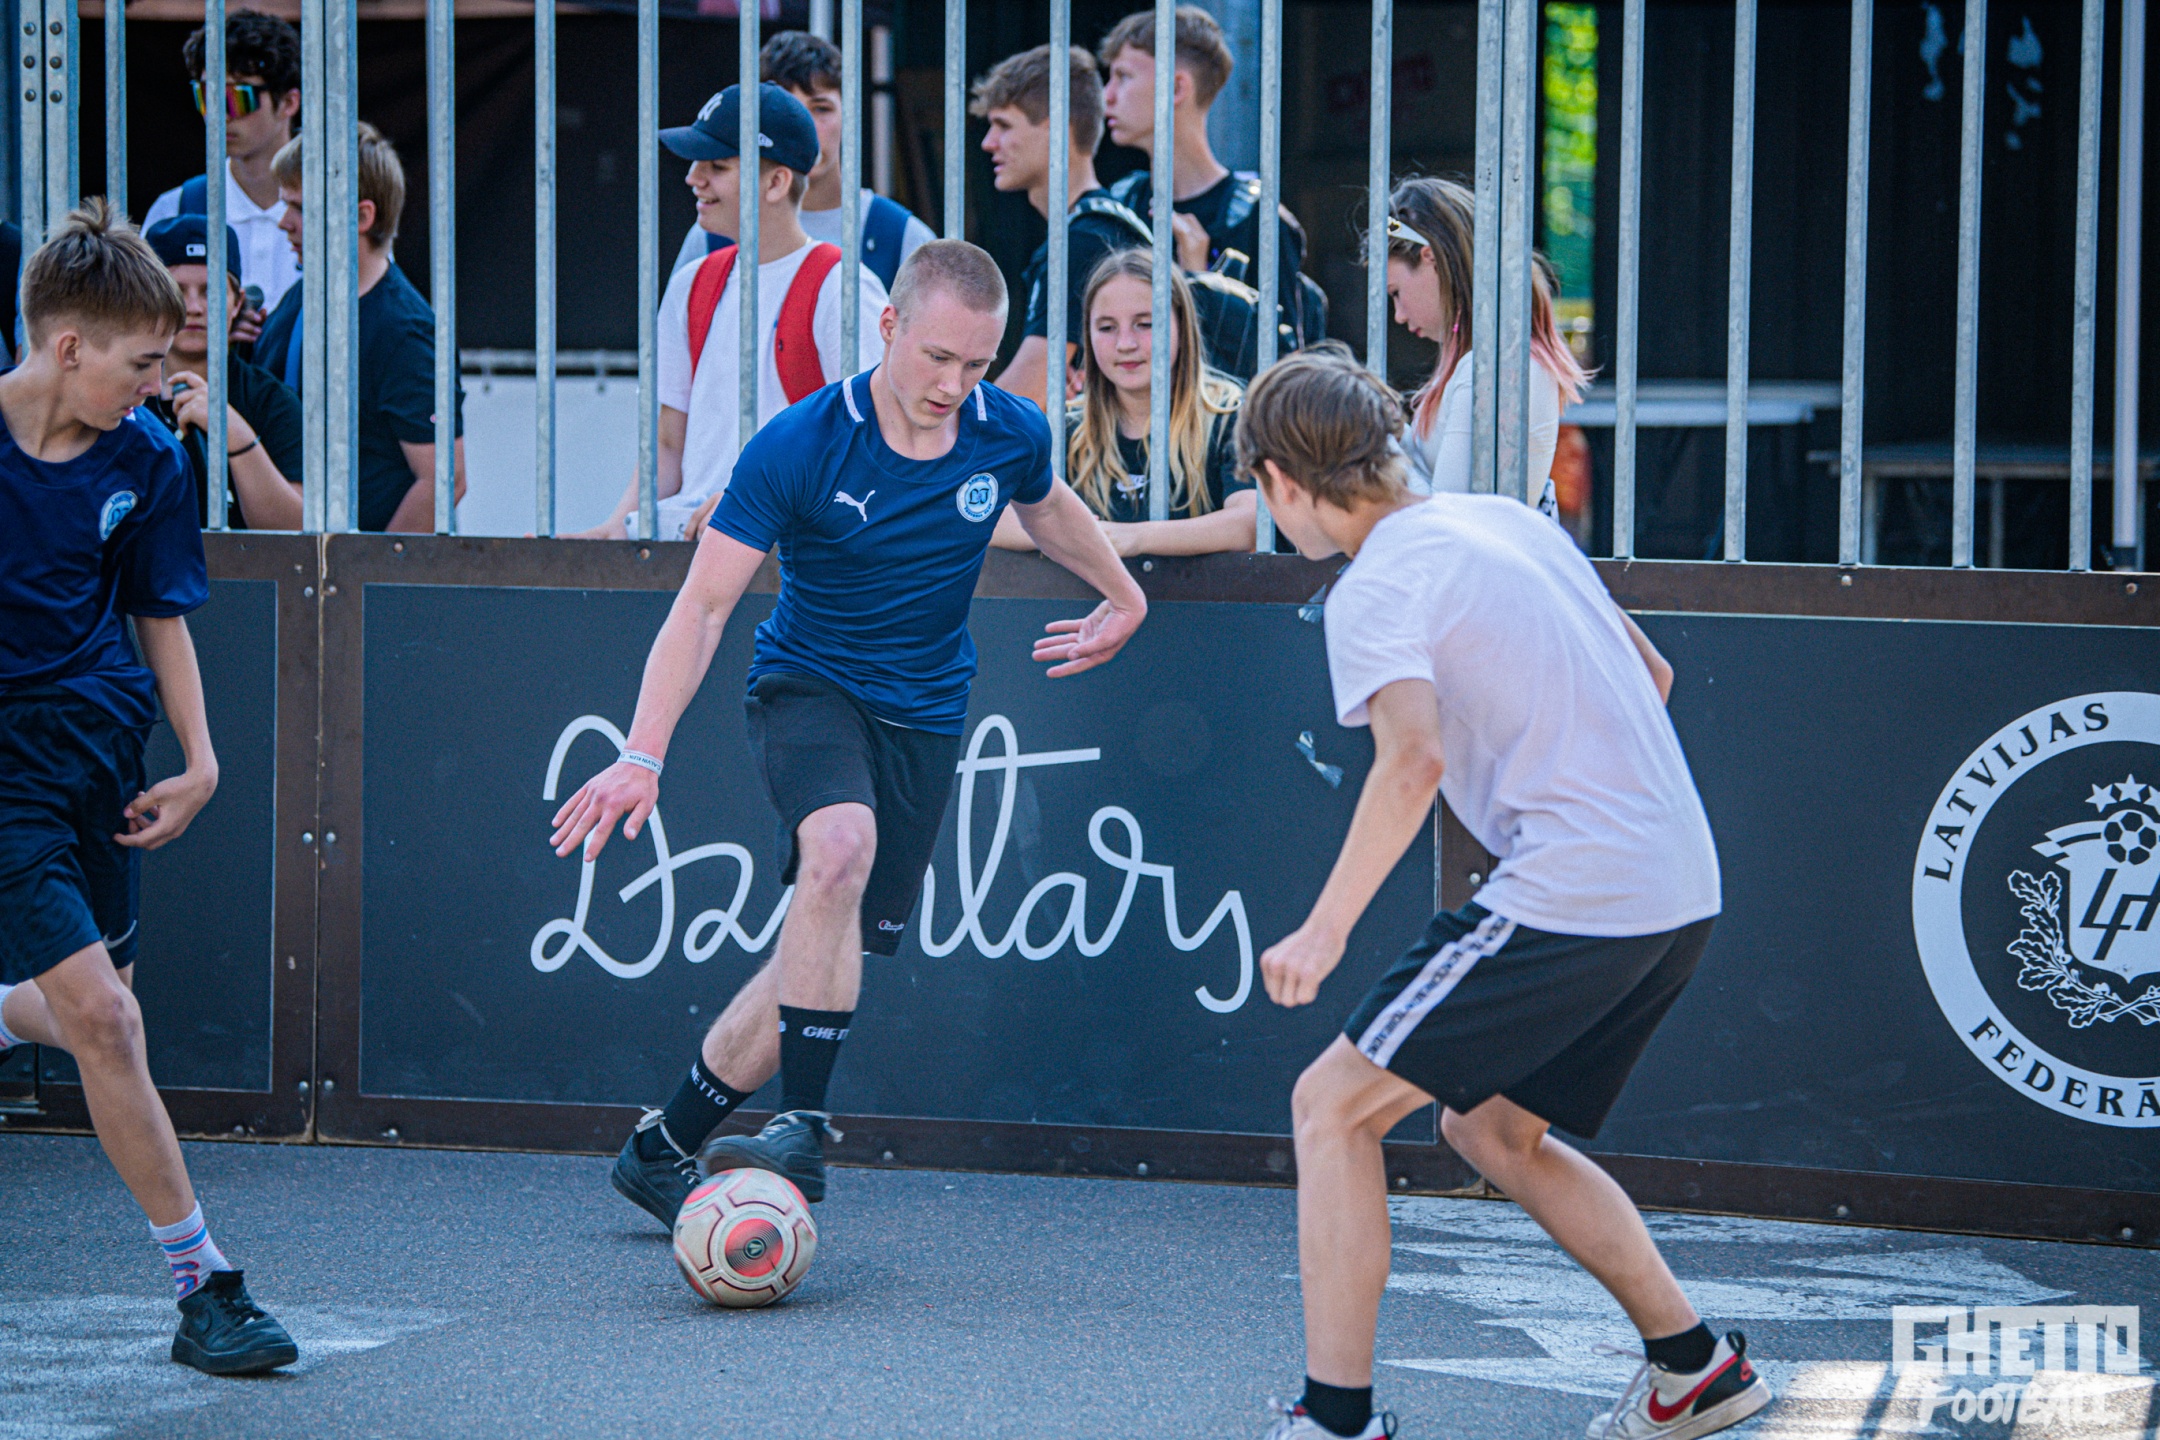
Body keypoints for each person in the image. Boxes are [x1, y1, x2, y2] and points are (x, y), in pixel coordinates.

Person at [548, 241, 1148, 1227]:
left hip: (927, 714)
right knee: (838, 847)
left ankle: (661, 1149)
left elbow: (1047, 508)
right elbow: (703, 606)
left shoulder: (1006, 431)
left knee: (825, 943)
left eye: (976, 365)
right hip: (809, 685)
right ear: (888, 327)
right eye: (937, 358)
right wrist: (641, 753)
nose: (954, 386)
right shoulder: (798, 444)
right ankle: (803, 1125)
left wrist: (1123, 594)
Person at [1238, 346, 1771, 1440]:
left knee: (1329, 1108)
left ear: (1284, 480)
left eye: (1262, 488)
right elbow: (1654, 675)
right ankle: (1695, 1370)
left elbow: (1412, 761)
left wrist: (1324, 930)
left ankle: (1335, 1421)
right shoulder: (1504, 522)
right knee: (1489, 1129)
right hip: (1680, 885)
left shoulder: (1375, 584)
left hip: (1581, 890)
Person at [0, 200, 299, 1377]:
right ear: (69, 345)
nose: (157, 384)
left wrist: (202, 756)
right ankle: (206, 1286)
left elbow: (158, 611)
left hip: (98, 749)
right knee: (107, 1023)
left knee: (105, 1015)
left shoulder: (148, 459)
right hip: (7, 768)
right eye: (141, 363)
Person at [577, 83, 889, 542]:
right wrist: (617, 529)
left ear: (777, 183)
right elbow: (669, 443)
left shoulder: (842, 287)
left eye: (717, 166)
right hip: (687, 547)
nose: (693, 177)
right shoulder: (692, 285)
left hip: (792, 557)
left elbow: (873, 442)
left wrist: (758, 503)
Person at [256, 126, 466, 532]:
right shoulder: (301, 297)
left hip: (348, 566)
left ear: (363, 216)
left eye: (301, 208)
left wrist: (365, 567)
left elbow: (444, 481)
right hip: (295, 559)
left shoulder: (405, 332)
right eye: (285, 205)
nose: (284, 223)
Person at [995, 248, 1250, 556]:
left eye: (1145, 324)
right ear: (1087, 334)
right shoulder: (1065, 429)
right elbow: (984, 515)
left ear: (1182, 326)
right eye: (1107, 327)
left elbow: (1250, 524)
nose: (1125, 344)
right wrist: (1073, 535)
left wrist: (1132, 538)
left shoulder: (1232, 416)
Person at [1098, 6, 1323, 348]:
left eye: (1123, 77)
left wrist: (1202, 282)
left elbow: (1286, 362)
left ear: (1177, 88)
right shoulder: (1121, 204)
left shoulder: (1257, 218)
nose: (1107, 95)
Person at [668, 31, 934, 293]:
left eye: (821, 109)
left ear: (849, 114)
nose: (807, 129)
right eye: (788, 113)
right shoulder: (713, 234)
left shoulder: (901, 237)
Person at [1383, 175, 1590, 509]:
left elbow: (1449, 515)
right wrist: (1393, 432)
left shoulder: (1493, 369)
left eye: (1396, 293)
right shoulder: (1481, 362)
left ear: (1430, 258)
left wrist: (1381, 445)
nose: (1398, 315)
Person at [973, 44, 1126, 413]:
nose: (987, 143)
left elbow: (1021, 399)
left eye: (1004, 125)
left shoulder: (1084, 242)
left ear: (1058, 127)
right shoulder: (1106, 225)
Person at [140, 10, 303, 342]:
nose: (220, 114)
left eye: (237, 98)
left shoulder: (335, 214)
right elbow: (137, 330)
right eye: (207, 96)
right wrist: (206, 339)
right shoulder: (174, 211)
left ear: (289, 102)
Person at [143, 216, 302, 530]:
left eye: (210, 291)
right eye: (175, 291)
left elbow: (296, 533)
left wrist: (235, 434)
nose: (193, 307)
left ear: (237, 303)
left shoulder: (270, 401)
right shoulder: (121, 398)